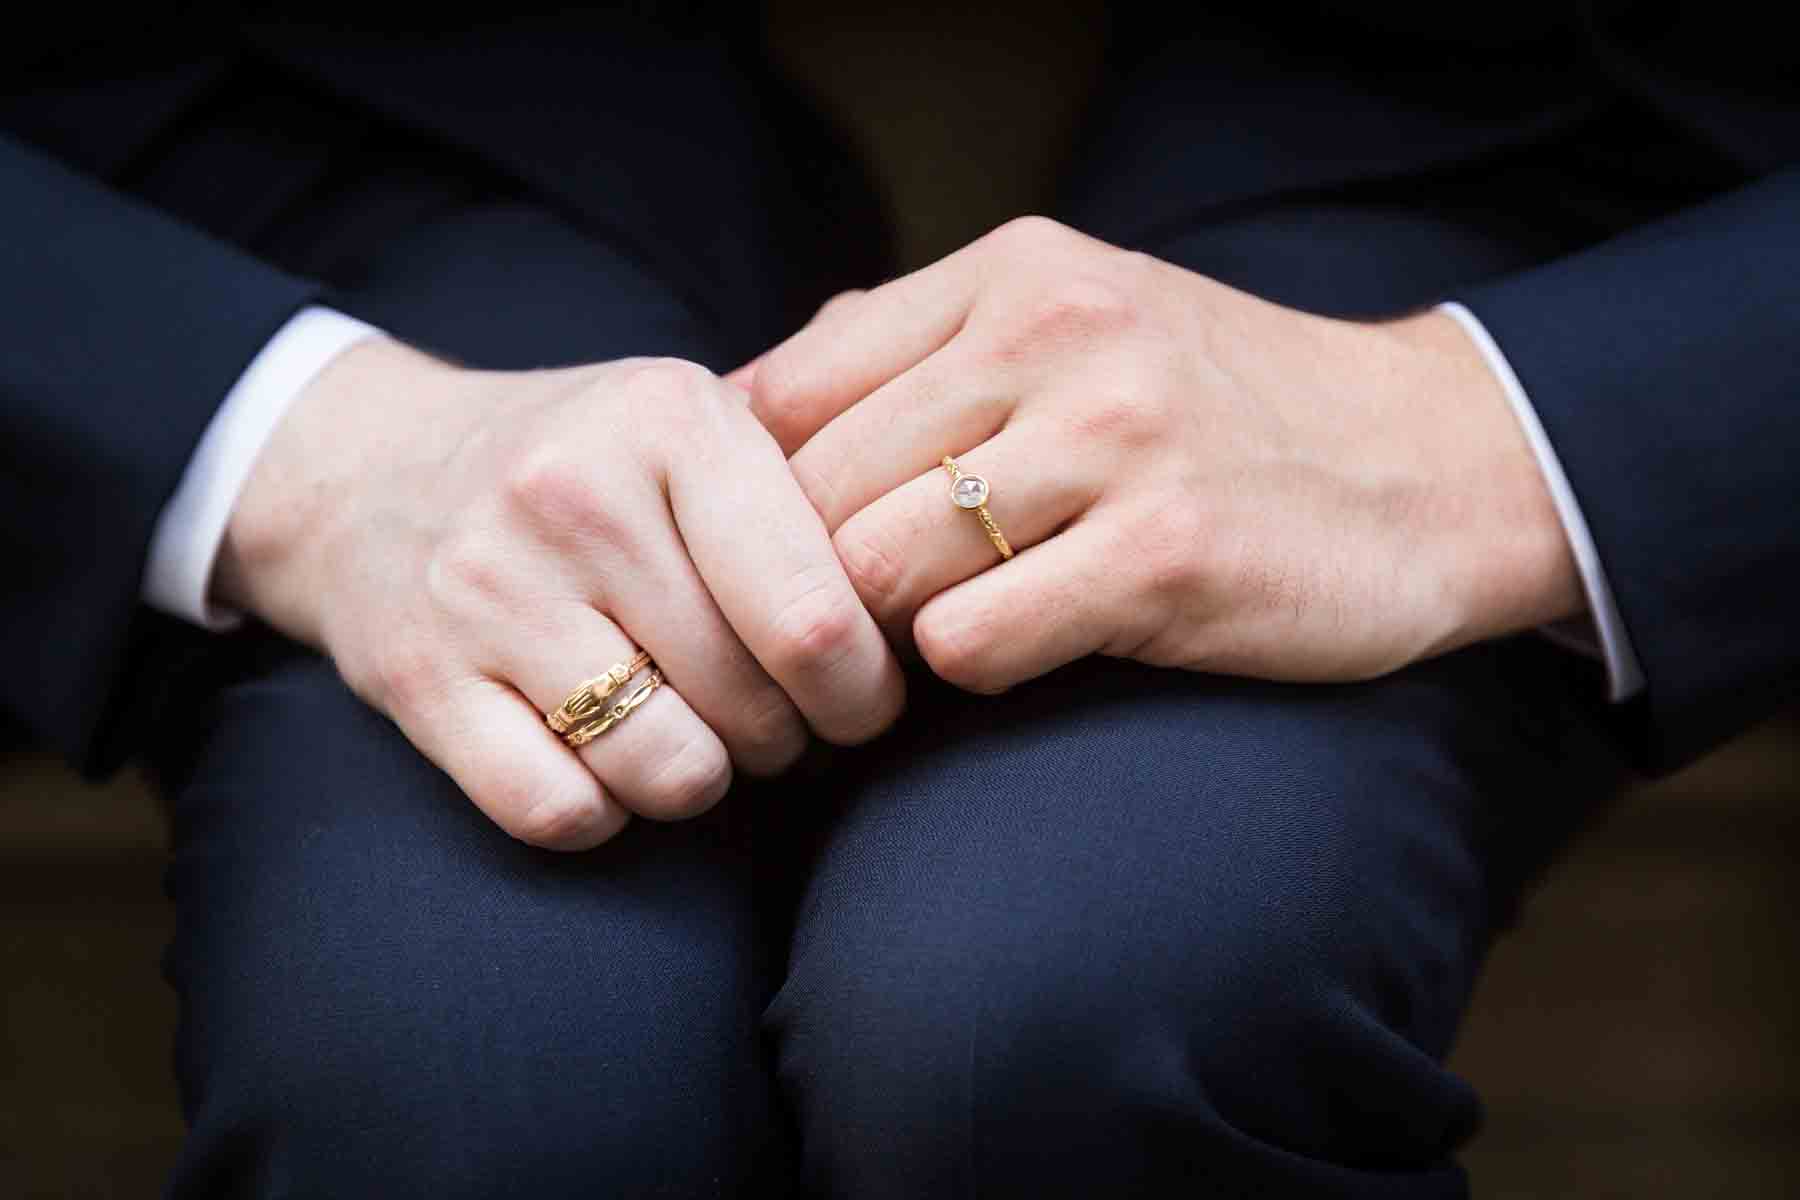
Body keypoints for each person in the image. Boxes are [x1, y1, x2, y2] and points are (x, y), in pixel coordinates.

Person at [3, 4, 1794, 1196]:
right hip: (287, 135)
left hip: (1559, 127)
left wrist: (1497, 427)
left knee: (1071, 990)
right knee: (459, 1064)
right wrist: (264, 435)